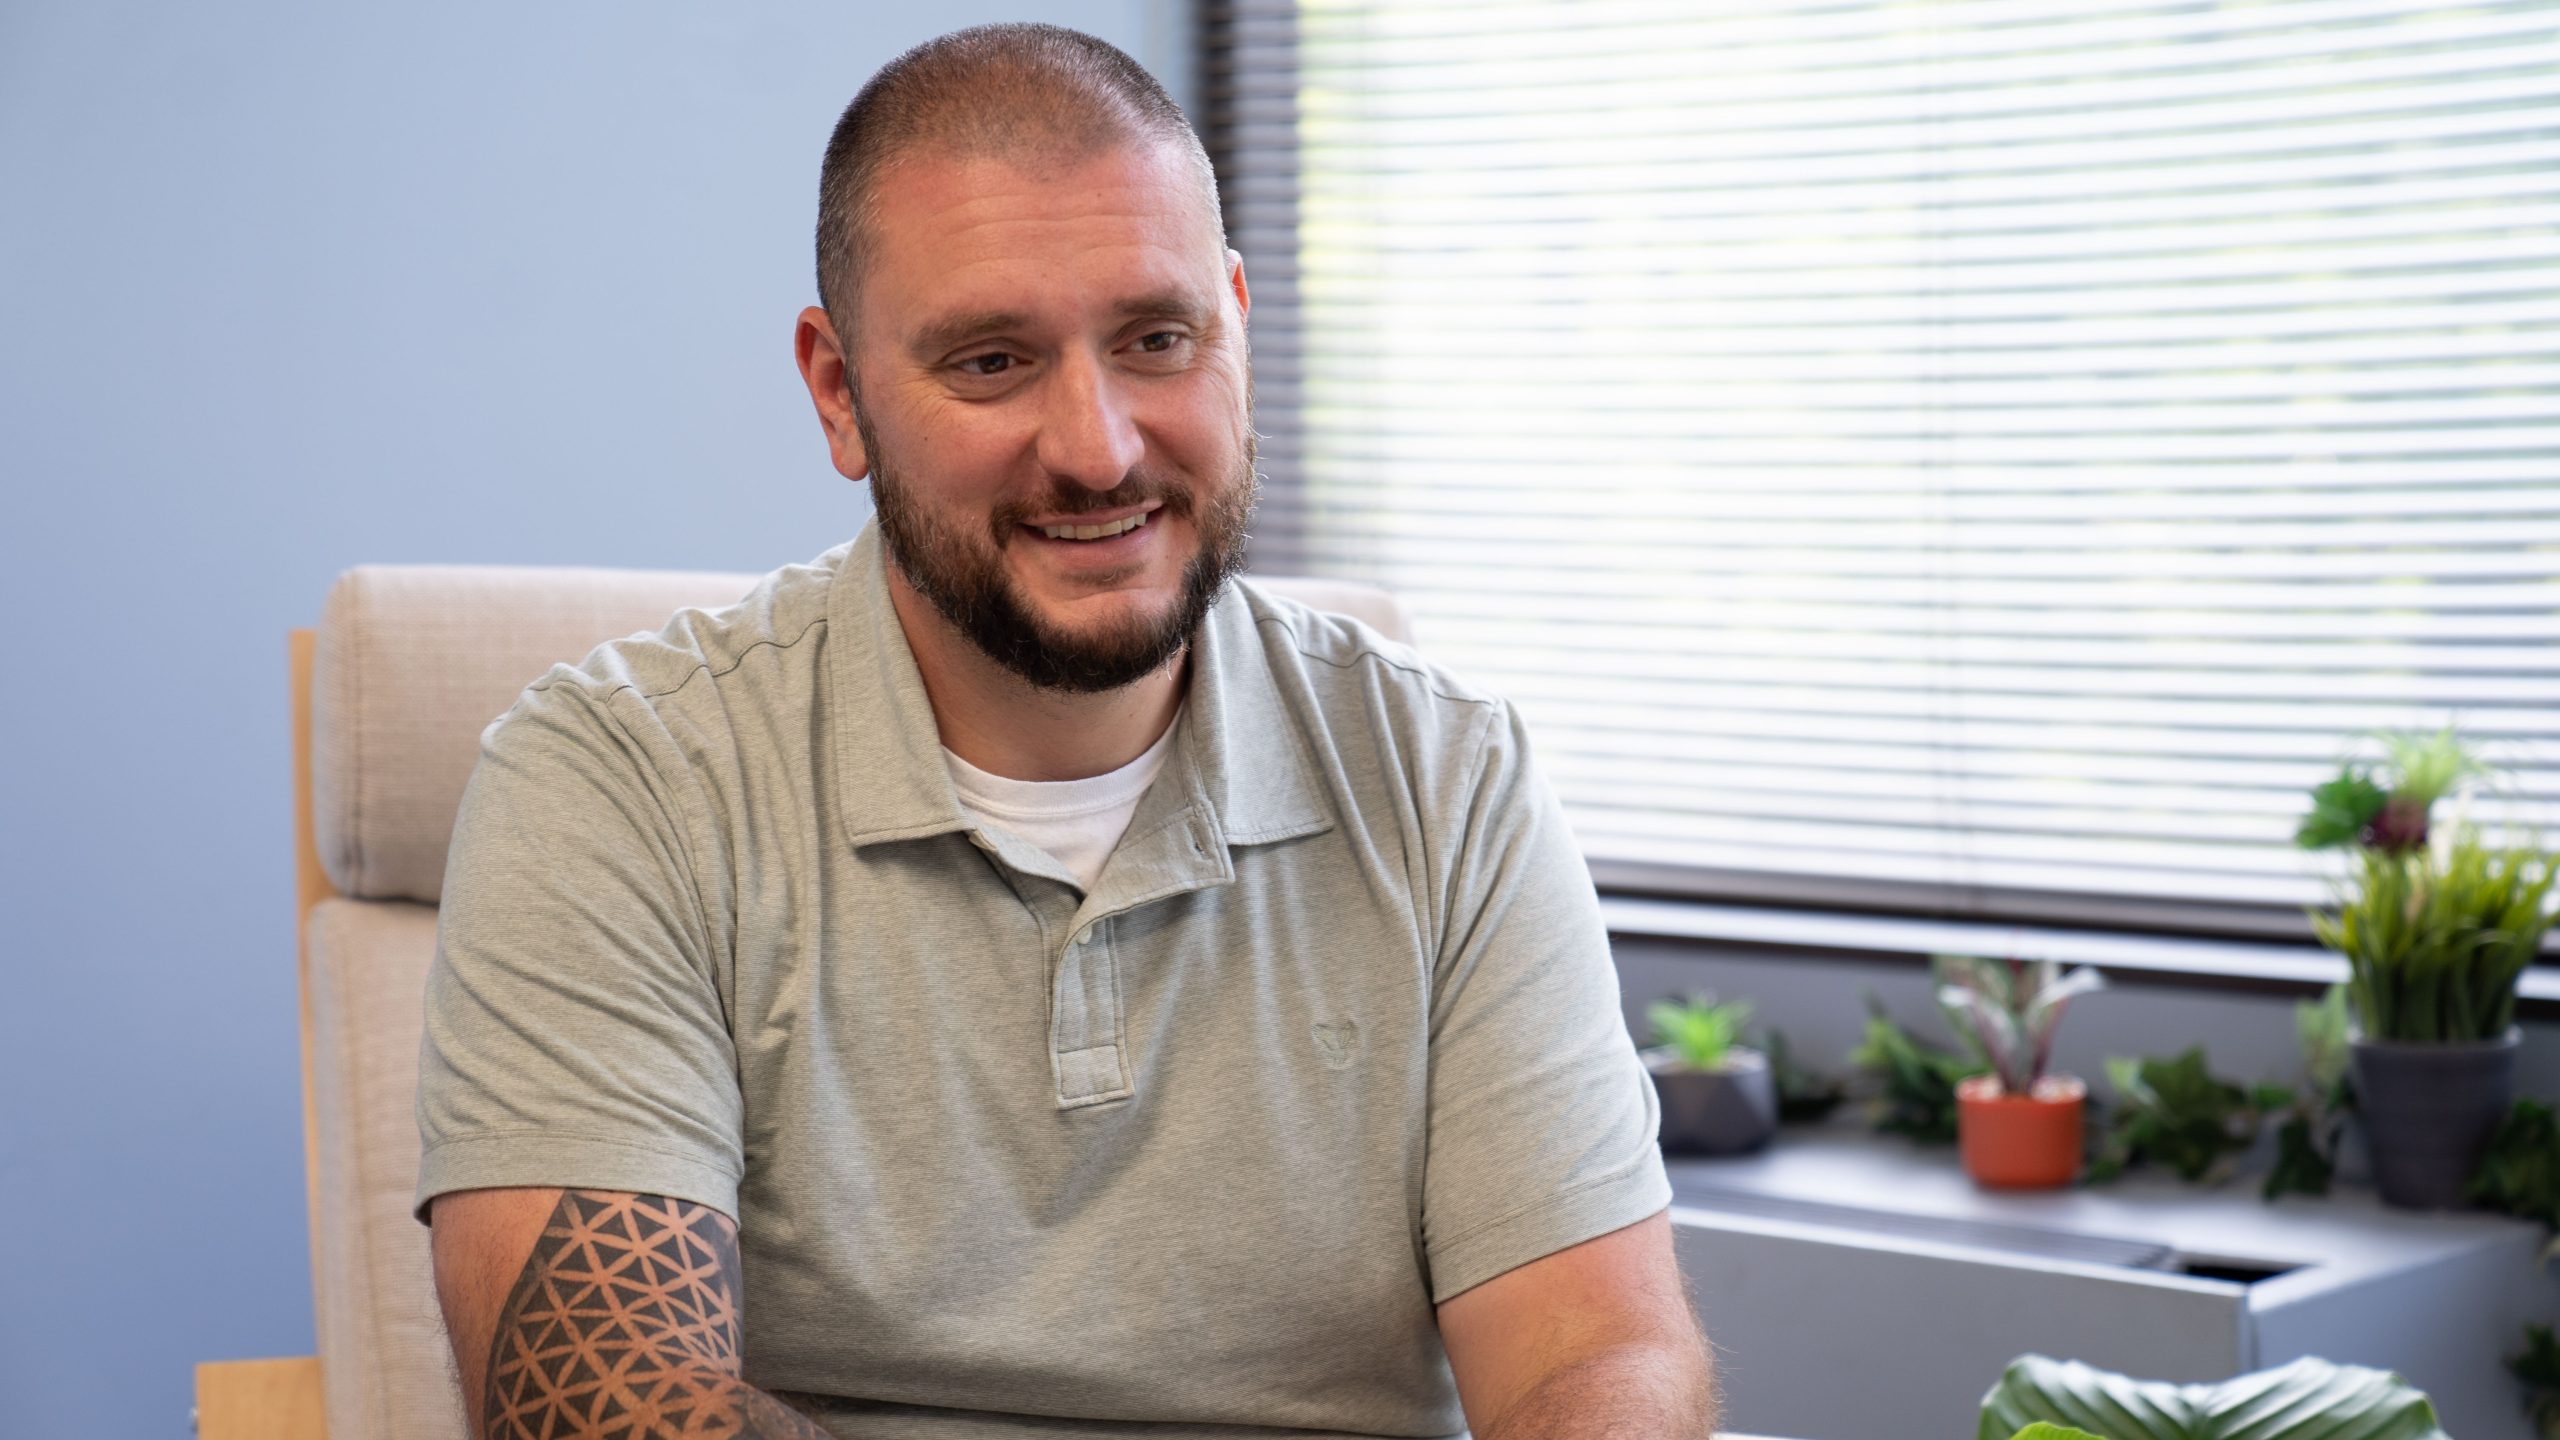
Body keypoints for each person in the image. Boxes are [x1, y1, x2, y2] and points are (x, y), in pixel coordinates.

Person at [415, 22, 1713, 1440]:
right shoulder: (619, 782)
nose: (1097, 447)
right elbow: (604, 1406)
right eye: (991, 361)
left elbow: (1597, 1361)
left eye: (1157, 339)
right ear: (839, 390)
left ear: (1237, 324)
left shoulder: (1446, 779)